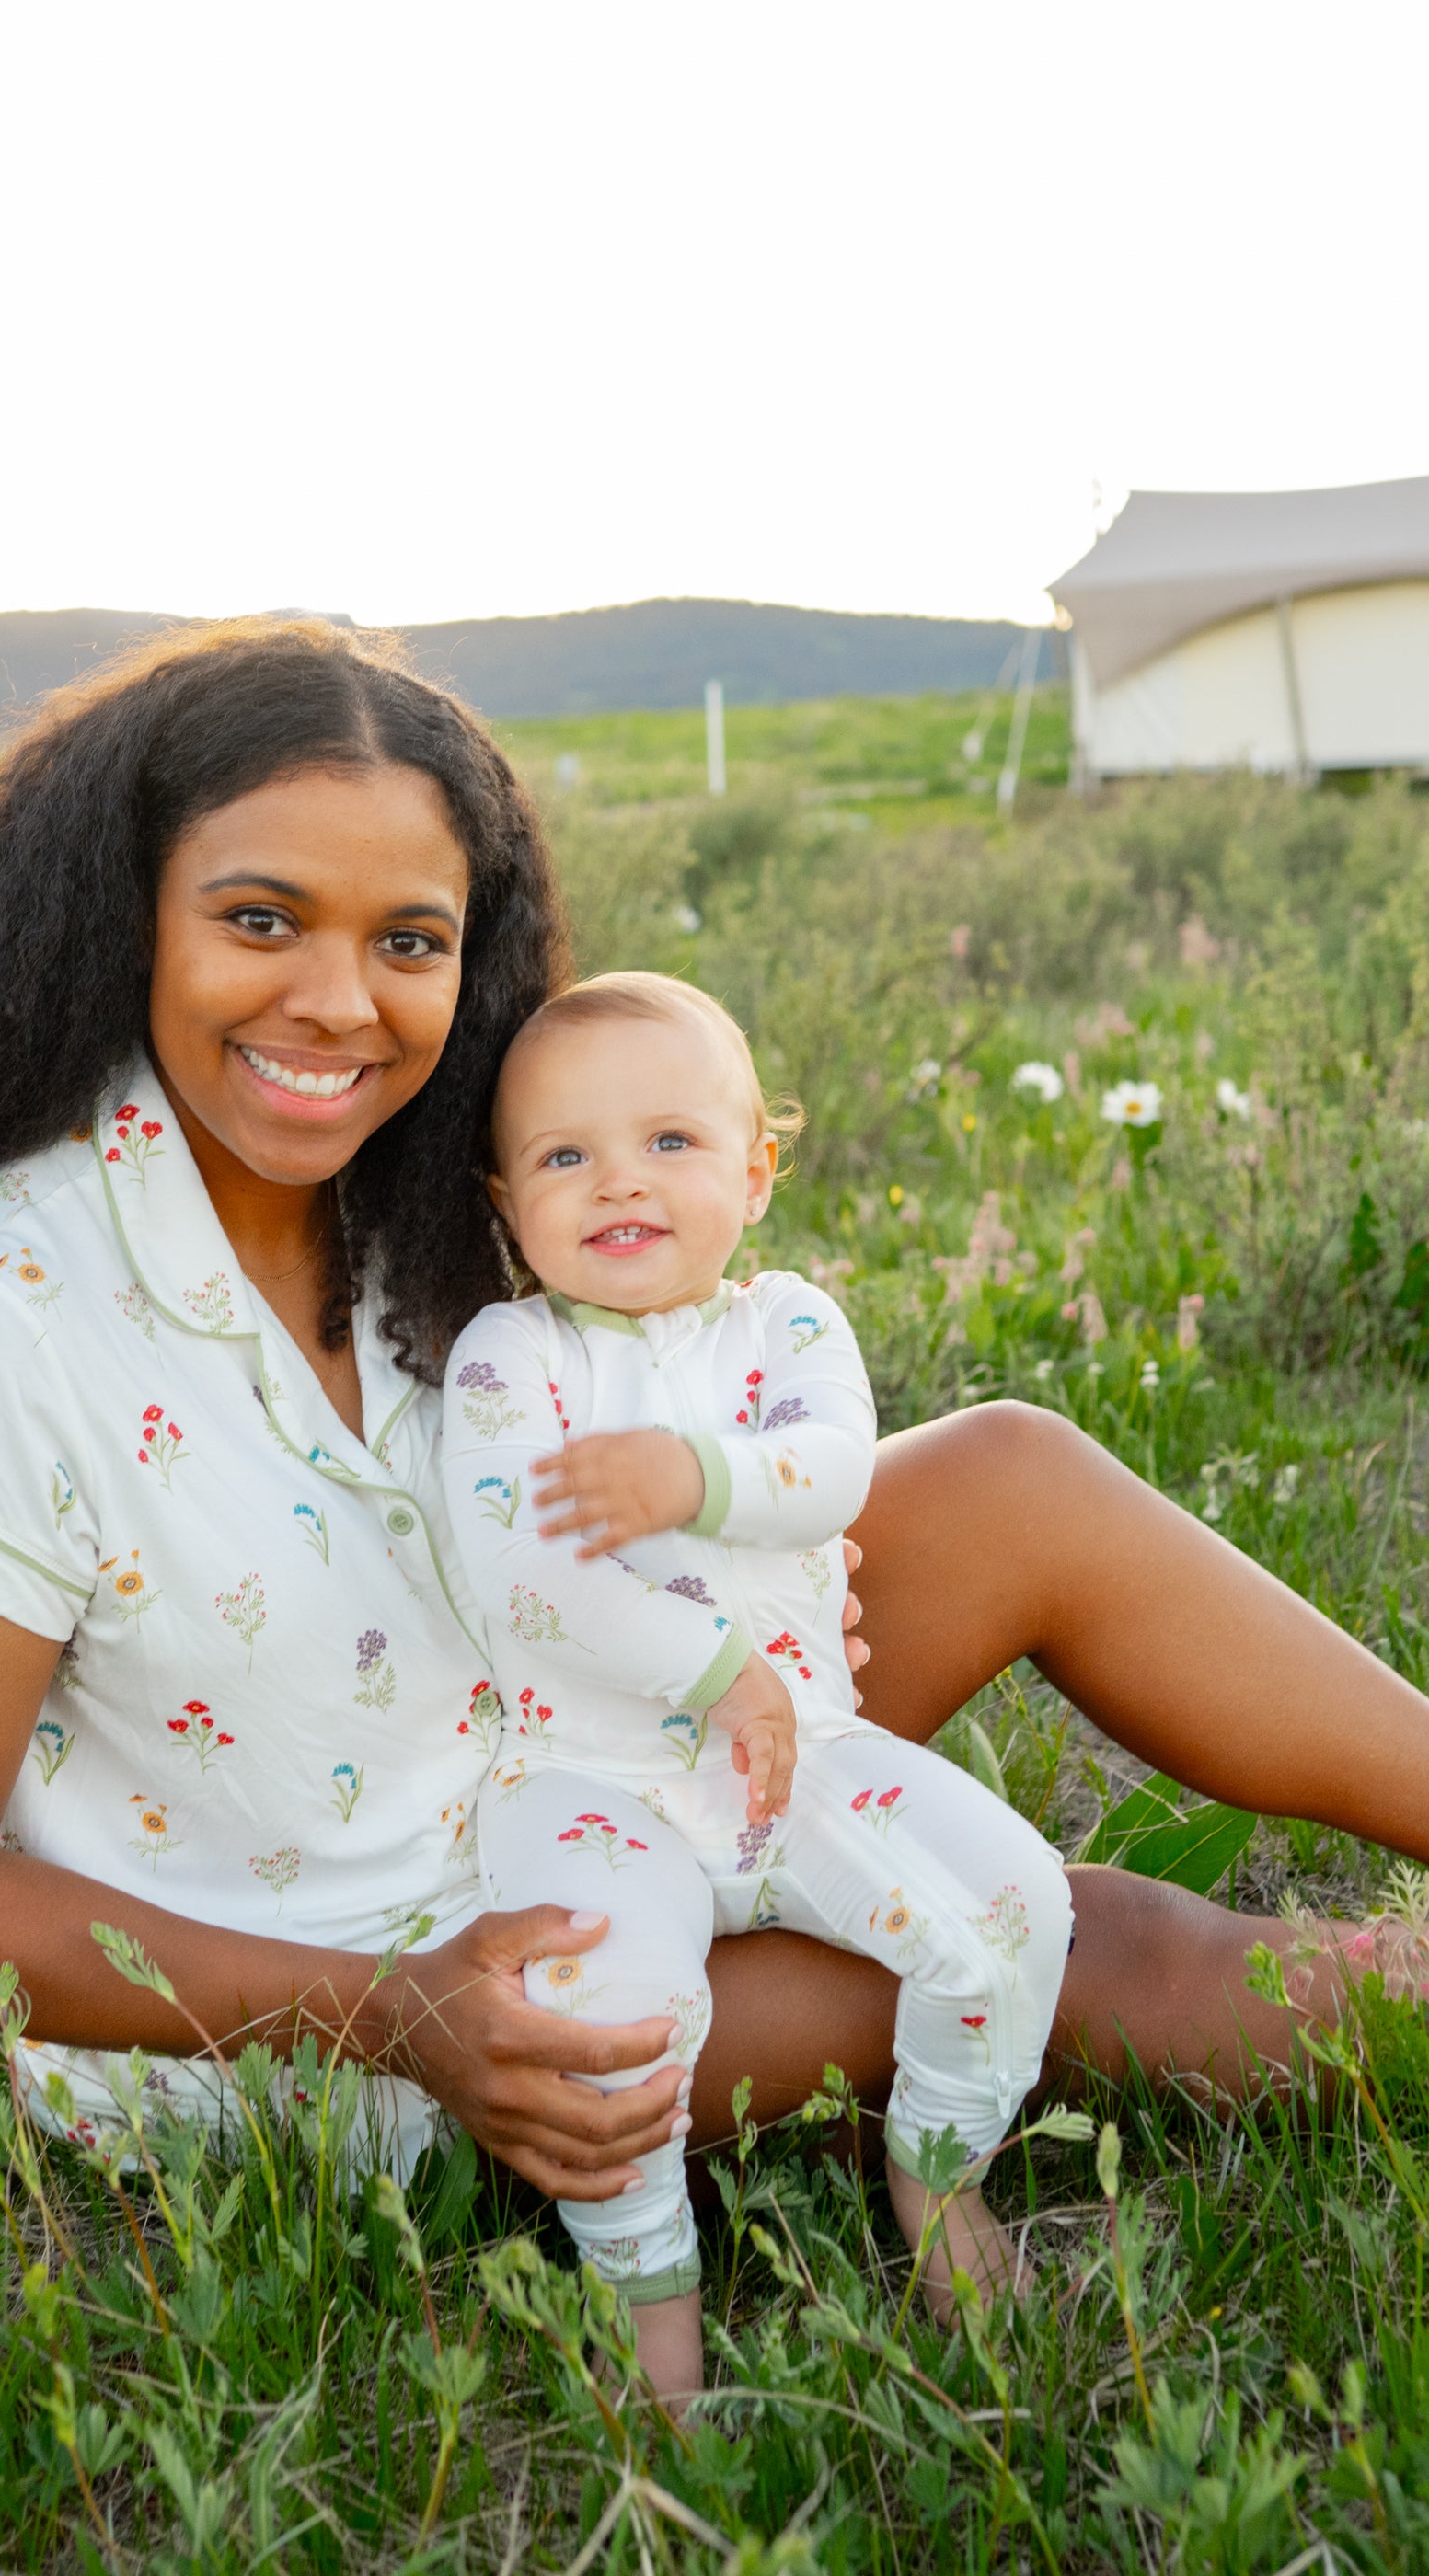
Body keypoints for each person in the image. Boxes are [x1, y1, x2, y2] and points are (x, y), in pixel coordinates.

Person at [0, 615, 1429, 2260]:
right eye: (260, 917)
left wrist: (762, 1579)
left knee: (1002, 1475)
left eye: (412, 940)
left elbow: (607, 1434)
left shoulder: (401, 1200)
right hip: (381, 1991)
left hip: (577, 1736)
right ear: (122, 917)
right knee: (1059, 1934)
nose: (339, 1003)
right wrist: (418, 2020)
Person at [445, 971, 1070, 2398]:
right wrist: (721, 1665)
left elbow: (830, 1470)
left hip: (798, 1763)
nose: (621, 1183)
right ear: (505, 1199)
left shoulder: (784, 1327)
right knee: (610, 2027)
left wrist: (692, 1476)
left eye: (670, 1142)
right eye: (564, 1157)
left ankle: (938, 2175)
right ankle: (650, 2294)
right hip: (589, 1780)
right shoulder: (512, 1361)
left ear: (757, 1167)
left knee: (1015, 1903)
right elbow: (524, 1579)